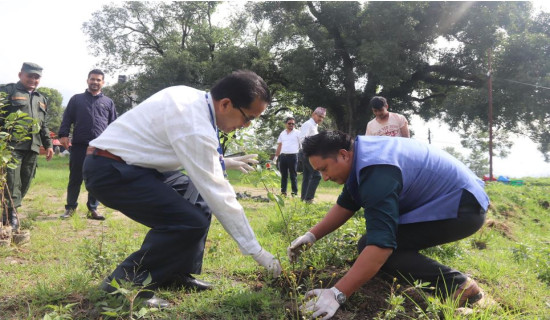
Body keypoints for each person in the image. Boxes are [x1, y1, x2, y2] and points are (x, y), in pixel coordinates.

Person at [83, 70, 281, 308]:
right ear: (226, 104)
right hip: (111, 171)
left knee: (198, 200)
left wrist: (221, 161)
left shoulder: (190, 97)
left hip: (137, 165)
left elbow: (167, 145)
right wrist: (255, 250)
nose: (245, 126)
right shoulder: (194, 123)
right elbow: (220, 195)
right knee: (188, 220)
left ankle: (175, 273)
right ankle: (124, 285)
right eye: (248, 117)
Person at [289, 131, 490, 319]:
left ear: (343, 154)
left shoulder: (377, 172)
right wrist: (311, 236)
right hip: (458, 198)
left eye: (324, 169)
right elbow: (347, 203)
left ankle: (460, 287)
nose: (324, 177)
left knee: (382, 251)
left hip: (463, 208)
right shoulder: (362, 154)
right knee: (369, 245)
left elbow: (382, 245)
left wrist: (337, 293)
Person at [0, 62, 54, 231]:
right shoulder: (8, 91)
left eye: (36, 77)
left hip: (32, 147)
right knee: (11, 181)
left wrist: (49, 145)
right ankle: (10, 215)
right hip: (12, 147)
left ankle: (10, 211)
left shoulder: (41, 98)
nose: (33, 79)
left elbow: (43, 124)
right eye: (29, 75)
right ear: (20, 75)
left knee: (25, 181)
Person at [58, 69, 117, 221]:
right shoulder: (76, 99)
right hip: (79, 145)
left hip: (100, 147)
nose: (95, 82)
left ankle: (93, 209)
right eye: (92, 79)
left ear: (103, 83)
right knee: (75, 178)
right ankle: (70, 208)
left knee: (96, 179)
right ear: (87, 80)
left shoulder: (108, 102)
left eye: (98, 80)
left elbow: (114, 125)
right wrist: (63, 134)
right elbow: (67, 119)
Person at [298, 107, 326, 203]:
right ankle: (309, 198)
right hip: (306, 152)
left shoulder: (315, 126)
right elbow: (302, 139)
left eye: (323, 117)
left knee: (307, 176)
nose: (321, 119)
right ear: (314, 114)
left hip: (309, 153)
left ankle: (303, 198)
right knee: (317, 175)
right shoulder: (308, 124)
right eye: (319, 116)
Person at [273, 117, 301, 196]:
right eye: (289, 123)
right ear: (286, 124)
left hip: (293, 156)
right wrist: (276, 157)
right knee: (284, 175)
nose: (291, 125)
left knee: (293, 175)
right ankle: (283, 192)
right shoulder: (282, 133)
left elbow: (302, 144)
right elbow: (279, 145)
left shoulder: (298, 133)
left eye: (293, 124)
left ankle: (294, 193)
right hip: (283, 157)